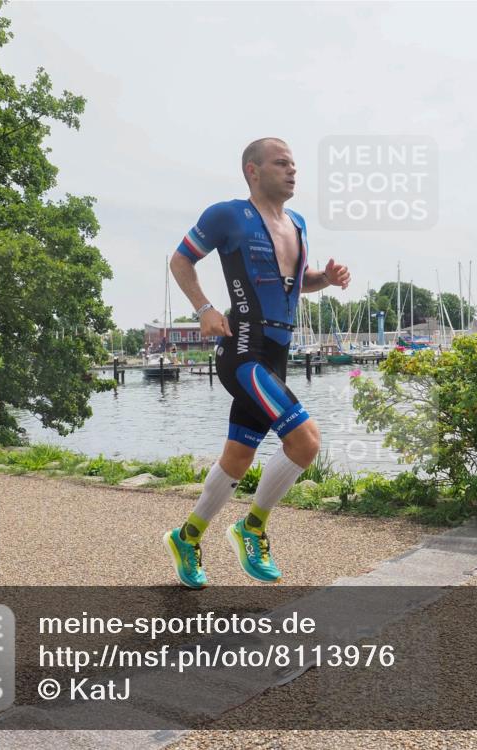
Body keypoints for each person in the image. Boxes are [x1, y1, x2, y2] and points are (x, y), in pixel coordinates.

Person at [164, 138, 350, 588]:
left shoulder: (298, 223)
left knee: (239, 455)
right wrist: (205, 308)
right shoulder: (228, 215)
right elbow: (180, 259)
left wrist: (324, 278)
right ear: (253, 170)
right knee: (305, 443)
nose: (292, 171)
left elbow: (293, 283)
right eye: (281, 163)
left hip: (279, 354)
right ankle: (252, 528)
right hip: (244, 351)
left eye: (294, 164)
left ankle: (186, 537)